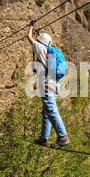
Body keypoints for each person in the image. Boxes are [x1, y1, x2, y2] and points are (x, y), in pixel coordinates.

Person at [27, 20, 70, 148]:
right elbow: (39, 40)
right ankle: (44, 138)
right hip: (55, 83)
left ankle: (63, 137)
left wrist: (30, 28)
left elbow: (29, 38)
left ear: (41, 42)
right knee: (46, 112)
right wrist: (37, 32)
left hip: (47, 83)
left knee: (50, 109)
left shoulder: (41, 48)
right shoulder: (49, 51)